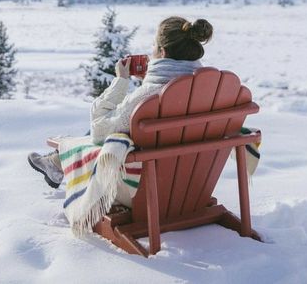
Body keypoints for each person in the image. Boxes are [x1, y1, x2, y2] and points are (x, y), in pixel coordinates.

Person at [27, 16, 213, 191]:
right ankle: (55, 162)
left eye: (153, 46)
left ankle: (56, 162)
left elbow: (98, 132)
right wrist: (146, 82)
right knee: (117, 123)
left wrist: (121, 81)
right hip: (190, 185)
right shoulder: (206, 90)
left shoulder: (148, 96)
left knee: (107, 129)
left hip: (145, 188)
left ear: (162, 52)